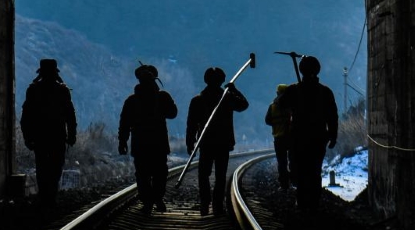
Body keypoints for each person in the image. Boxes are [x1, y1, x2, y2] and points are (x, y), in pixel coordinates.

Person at [185, 66, 249, 216]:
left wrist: (190, 142)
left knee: (203, 174)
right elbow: (243, 105)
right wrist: (234, 90)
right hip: (223, 143)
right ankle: (217, 206)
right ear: (222, 80)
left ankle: (205, 203)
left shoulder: (198, 100)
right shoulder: (227, 97)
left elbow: (191, 124)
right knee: (220, 175)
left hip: (206, 142)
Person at [278, 55, 338, 213]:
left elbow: (280, 103)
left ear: (301, 70)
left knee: (299, 169)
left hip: (298, 138)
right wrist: (333, 135)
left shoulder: (293, 90)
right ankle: (314, 203)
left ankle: (302, 200)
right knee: (315, 170)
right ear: (317, 70)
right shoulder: (326, 92)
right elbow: (333, 116)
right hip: (318, 139)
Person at [118, 63, 178, 214]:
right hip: (159, 143)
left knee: (142, 174)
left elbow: (124, 123)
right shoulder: (163, 97)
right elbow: (173, 113)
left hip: (140, 144)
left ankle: (147, 202)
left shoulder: (132, 100)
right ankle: (157, 198)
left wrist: (122, 141)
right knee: (160, 173)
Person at [19, 58, 78, 215]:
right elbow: (70, 116)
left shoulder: (33, 90)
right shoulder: (62, 90)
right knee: (55, 167)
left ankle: (45, 198)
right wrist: (72, 135)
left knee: (42, 167)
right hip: (57, 136)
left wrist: (27, 137)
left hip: (40, 137)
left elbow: (26, 116)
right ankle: (50, 198)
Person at [264, 83, 293, 189]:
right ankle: (294, 180)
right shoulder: (292, 105)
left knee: (282, 162)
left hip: (279, 138)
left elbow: (267, 120)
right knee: (293, 160)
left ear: (277, 92)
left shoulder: (272, 106)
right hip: (291, 137)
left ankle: (284, 184)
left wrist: (277, 124)